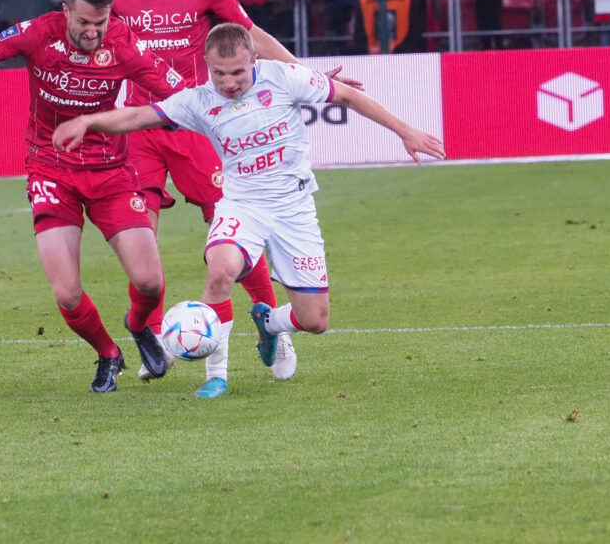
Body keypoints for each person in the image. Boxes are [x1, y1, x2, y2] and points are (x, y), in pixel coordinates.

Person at [51, 22, 445, 397]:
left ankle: (270, 323)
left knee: (315, 320)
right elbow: (139, 115)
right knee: (220, 271)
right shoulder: (200, 100)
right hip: (242, 205)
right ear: (208, 66)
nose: (229, 83)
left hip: (294, 207)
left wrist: (405, 131)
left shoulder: (285, 77)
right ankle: (216, 376)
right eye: (220, 73)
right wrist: (89, 121)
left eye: (237, 72)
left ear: (253, 59)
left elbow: (348, 96)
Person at [107, 0, 361, 385]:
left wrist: (300, 73)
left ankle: (272, 322)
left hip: (199, 123)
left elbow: (250, 35)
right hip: (143, 126)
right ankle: (158, 336)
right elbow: (86, 39)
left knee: (234, 229)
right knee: (142, 242)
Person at [0, 0, 174, 392]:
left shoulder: (123, 41)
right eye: (84, 22)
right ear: (66, 11)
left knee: (150, 282)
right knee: (67, 293)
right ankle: (108, 353)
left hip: (111, 171)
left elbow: (179, 92)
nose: (93, 31)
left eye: (100, 23)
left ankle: (139, 326)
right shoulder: (39, 33)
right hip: (50, 168)